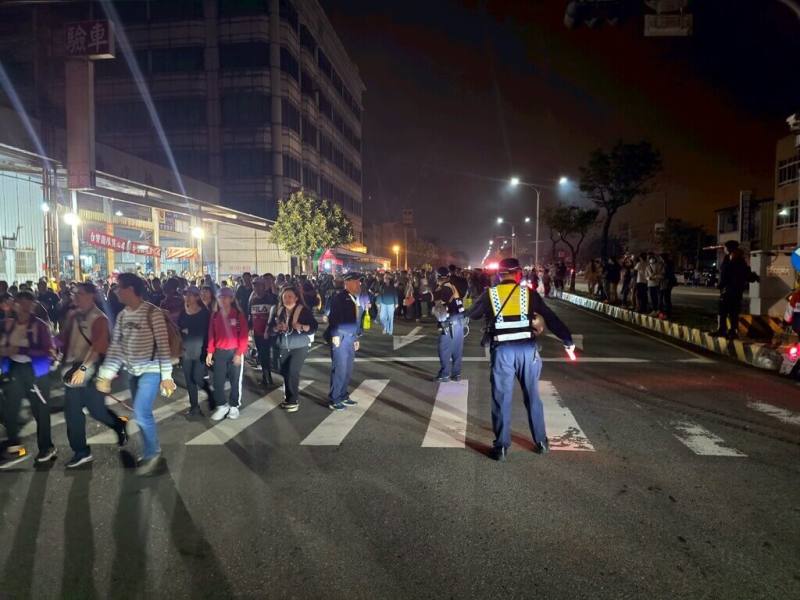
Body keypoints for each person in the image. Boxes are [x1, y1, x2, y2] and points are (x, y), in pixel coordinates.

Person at [467, 257, 574, 462]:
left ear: (499, 274)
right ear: (518, 274)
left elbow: (473, 315)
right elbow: (551, 318)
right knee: (532, 396)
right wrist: (567, 340)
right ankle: (541, 442)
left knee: (501, 398)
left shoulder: (490, 294)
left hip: (502, 351)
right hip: (527, 350)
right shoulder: (529, 294)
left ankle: (501, 448)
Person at [96, 273, 176, 477]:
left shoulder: (153, 313)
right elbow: (116, 347)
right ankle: (151, 451)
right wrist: (106, 374)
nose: (116, 291)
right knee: (142, 414)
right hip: (132, 372)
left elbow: (163, 347)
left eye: (118, 287)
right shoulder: (123, 315)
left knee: (140, 412)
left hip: (151, 370)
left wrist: (166, 376)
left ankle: (153, 453)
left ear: (130, 289)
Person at [58, 282, 128, 467]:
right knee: (72, 413)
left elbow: (99, 346)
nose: (75, 297)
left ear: (91, 296)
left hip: (91, 369)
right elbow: (65, 340)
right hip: (73, 370)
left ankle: (118, 425)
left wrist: (83, 369)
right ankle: (81, 451)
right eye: (74, 294)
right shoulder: (73, 316)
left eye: (79, 294)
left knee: (97, 411)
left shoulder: (99, 318)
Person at [0, 291, 55, 464]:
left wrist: (21, 350)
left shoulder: (39, 325)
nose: (23, 307)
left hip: (35, 372)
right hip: (15, 370)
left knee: (40, 411)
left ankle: (47, 447)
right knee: (10, 410)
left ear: (33, 305)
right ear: (15, 305)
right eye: (20, 303)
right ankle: (14, 447)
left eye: (27, 303)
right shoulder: (9, 324)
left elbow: (47, 351)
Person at [270, 286, 317, 412]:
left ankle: (292, 400)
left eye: (290, 296)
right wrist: (277, 328)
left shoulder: (303, 311)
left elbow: (313, 326)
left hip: (300, 345)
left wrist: (301, 327)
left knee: (292, 371)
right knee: (284, 371)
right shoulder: (278, 311)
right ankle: (288, 398)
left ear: (296, 298)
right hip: (283, 346)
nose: (287, 299)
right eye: (285, 297)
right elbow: (270, 329)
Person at [206, 287, 249, 421]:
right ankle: (221, 405)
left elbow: (244, 336)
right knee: (217, 382)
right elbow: (211, 335)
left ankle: (234, 406)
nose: (223, 300)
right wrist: (210, 352)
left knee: (235, 381)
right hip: (219, 353)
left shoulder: (238, 315)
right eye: (220, 298)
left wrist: (239, 353)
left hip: (234, 353)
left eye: (225, 297)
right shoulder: (215, 316)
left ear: (231, 299)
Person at [325, 272, 362, 410]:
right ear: (347, 283)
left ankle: (343, 395)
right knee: (339, 368)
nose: (359, 284)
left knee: (347, 369)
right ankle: (334, 399)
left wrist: (357, 336)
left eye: (359, 282)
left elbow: (356, 319)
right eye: (356, 282)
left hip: (351, 337)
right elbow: (333, 316)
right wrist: (334, 334)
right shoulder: (339, 298)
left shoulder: (353, 298)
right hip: (340, 336)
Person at [178, 286, 211, 417]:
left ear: (197, 297)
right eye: (186, 294)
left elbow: (208, 333)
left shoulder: (204, 313)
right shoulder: (183, 312)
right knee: (189, 380)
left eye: (190, 295)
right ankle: (194, 407)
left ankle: (209, 392)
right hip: (186, 350)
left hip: (200, 350)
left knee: (197, 377)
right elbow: (179, 328)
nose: (187, 297)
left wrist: (208, 351)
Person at [714, 240, 758, 339]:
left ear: (729, 248)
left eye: (725, 247)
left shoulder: (736, 260)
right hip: (732, 290)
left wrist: (721, 285)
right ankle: (727, 330)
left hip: (731, 290)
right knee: (728, 311)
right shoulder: (732, 259)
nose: (724, 249)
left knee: (728, 311)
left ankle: (729, 331)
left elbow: (727, 275)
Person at [432, 266, 466, 382]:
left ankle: (444, 374)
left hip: (449, 321)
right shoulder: (452, 287)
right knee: (457, 349)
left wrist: (437, 318)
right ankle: (456, 374)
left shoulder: (440, 290)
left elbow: (440, 312)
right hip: (460, 320)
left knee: (444, 348)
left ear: (437, 277)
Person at [249, 275, 279, 386]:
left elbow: (275, 315)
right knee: (262, 355)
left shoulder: (270, 298)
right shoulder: (252, 299)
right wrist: (250, 328)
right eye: (255, 286)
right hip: (257, 332)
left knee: (265, 354)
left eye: (259, 286)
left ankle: (267, 378)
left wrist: (270, 329)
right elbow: (250, 315)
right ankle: (266, 376)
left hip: (268, 332)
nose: (257, 288)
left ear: (264, 286)